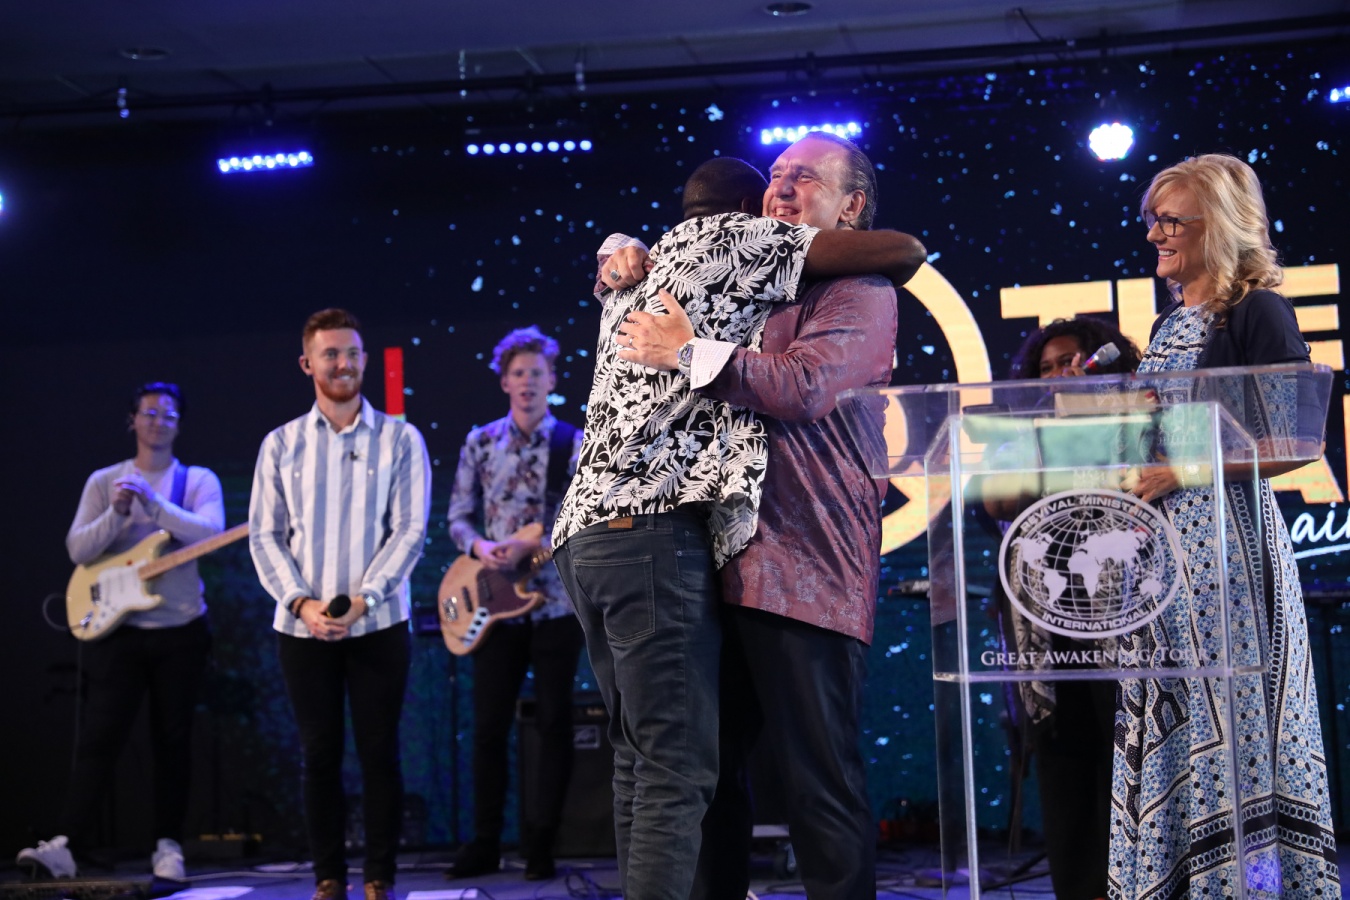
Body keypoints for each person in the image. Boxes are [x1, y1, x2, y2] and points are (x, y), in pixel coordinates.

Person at [554, 153, 924, 900]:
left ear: (852, 208)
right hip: (711, 560)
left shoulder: (860, 288)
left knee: (818, 783)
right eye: (776, 173)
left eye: (806, 177)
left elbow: (807, 385)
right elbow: (667, 259)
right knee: (702, 776)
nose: (782, 186)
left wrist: (686, 351)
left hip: (806, 566)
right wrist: (623, 251)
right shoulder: (744, 266)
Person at [1111, 154, 1339, 896]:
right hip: (1162, 561)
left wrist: (1183, 472)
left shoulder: (1256, 310)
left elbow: (1297, 441)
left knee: (1236, 727)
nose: (1154, 235)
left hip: (1230, 558)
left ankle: (1252, 886)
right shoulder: (1167, 320)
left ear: (1220, 225)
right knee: (1173, 720)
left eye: (1170, 221)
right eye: (1152, 220)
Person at [249, 308, 431, 900]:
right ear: (307, 364)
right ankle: (328, 878)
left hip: (379, 622)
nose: (344, 364)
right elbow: (264, 535)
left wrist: (365, 599)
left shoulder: (401, 438)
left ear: (365, 360)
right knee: (319, 754)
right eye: (330, 354)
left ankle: (379, 877)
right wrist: (301, 603)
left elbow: (410, 531)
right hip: (303, 628)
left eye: (352, 353)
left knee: (379, 753)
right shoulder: (280, 444)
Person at [17, 383, 224, 883]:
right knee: (99, 739)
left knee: (172, 740)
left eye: (168, 414)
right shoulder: (104, 480)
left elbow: (211, 532)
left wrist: (155, 504)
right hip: (118, 631)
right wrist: (116, 513)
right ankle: (66, 845)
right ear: (132, 420)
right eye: (149, 413)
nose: (158, 422)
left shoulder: (196, 479)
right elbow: (77, 550)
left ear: (179, 424)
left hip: (180, 629)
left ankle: (168, 846)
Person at [994, 317, 1141, 900]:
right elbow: (999, 500)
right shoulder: (1027, 431)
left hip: (1123, 608)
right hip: (1045, 612)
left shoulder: (1130, 418)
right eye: (1046, 367)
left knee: (1123, 745)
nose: (1058, 374)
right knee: (1061, 751)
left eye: (1069, 362)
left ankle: (1134, 881)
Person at [445, 326, 584, 880]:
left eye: (537, 373)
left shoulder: (573, 442)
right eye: (519, 373)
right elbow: (458, 517)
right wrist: (480, 547)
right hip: (494, 601)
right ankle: (484, 841)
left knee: (554, 724)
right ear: (504, 381)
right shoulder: (480, 442)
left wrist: (539, 544)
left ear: (552, 380)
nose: (528, 382)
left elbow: (585, 518)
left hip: (556, 603)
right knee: (488, 728)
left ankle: (542, 844)